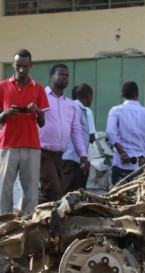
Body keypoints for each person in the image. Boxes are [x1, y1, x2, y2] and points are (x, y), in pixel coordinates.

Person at [0, 49, 49, 214]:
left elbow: (42, 123)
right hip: (8, 144)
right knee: (5, 189)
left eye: (25, 66)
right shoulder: (3, 86)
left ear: (30, 65)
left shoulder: (38, 88)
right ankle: (5, 224)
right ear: (13, 65)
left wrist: (37, 111)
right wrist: (6, 113)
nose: (22, 70)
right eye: (18, 66)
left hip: (31, 145)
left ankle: (27, 225)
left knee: (31, 191)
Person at [38, 64, 88, 203]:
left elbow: (76, 131)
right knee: (53, 188)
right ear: (51, 77)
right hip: (42, 151)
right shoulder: (41, 96)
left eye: (67, 76)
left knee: (55, 189)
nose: (65, 78)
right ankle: (45, 219)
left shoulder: (70, 104)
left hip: (60, 155)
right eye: (61, 75)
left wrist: (83, 155)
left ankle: (39, 218)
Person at [105, 81, 145, 185]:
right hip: (139, 166)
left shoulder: (115, 110)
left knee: (118, 198)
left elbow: (110, 131)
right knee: (138, 199)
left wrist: (122, 152)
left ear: (122, 95)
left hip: (120, 164)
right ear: (137, 94)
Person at [63, 83, 96, 193]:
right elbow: (75, 132)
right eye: (91, 96)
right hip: (71, 157)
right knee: (68, 191)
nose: (92, 99)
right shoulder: (75, 108)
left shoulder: (83, 109)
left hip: (77, 158)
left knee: (75, 192)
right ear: (86, 96)